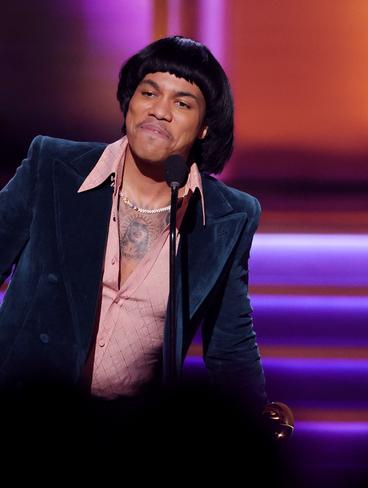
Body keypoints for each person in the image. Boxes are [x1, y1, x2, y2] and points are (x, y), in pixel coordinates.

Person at [0, 36, 267, 412]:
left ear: (205, 127)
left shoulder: (227, 217)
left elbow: (230, 346)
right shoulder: (53, 167)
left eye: (182, 103)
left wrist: (258, 425)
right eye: (149, 93)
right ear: (130, 101)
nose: (160, 111)